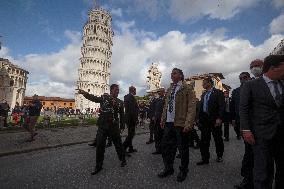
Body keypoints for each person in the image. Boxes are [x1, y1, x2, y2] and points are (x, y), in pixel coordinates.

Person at [240, 55, 284, 189]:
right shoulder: (250, 85)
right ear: (273, 68)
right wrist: (246, 130)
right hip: (262, 134)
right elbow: (244, 108)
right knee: (263, 170)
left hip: (281, 133)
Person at [78, 84, 127, 175]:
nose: (118, 91)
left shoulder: (120, 102)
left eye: (118, 90)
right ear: (111, 90)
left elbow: (122, 114)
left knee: (118, 145)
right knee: (100, 146)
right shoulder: (103, 98)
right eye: (116, 90)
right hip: (103, 126)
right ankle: (98, 166)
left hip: (114, 126)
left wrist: (122, 125)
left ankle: (123, 159)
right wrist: (85, 94)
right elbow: (94, 98)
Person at [158, 68, 196, 182]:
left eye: (174, 73)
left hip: (180, 123)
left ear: (180, 75)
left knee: (183, 149)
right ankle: (168, 168)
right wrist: (163, 118)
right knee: (166, 147)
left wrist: (188, 123)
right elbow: (166, 105)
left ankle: (183, 170)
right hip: (169, 123)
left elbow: (191, 107)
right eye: (171, 73)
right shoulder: (170, 89)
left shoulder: (187, 88)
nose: (171, 75)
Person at [197, 77, 225, 165]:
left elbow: (221, 106)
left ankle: (219, 155)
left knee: (217, 139)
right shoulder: (203, 94)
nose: (203, 84)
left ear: (209, 83)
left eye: (204, 83)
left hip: (215, 119)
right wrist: (198, 118)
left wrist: (219, 118)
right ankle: (205, 159)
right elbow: (201, 108)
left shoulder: (218, 92)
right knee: (204, 140)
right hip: (205, 120)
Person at [123, 86, 139, 153]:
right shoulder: (131, 97)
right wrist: (136, 120)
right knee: (131, 135)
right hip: (131, 119)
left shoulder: (126, 96)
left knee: (130, 133)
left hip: (128, 118)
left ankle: (130, 148)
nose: (136, 92)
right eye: (135, 90)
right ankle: (123, 148)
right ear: (133, 90)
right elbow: (132, 110)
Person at [151, 88, 165, 154]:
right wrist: (153, 116)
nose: (159, 93)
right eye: (158, 92)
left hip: (163, 120)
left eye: (160, 91)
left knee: (163, 135)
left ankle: (163, 149)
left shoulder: (166, 99)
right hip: (156, 120)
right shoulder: (156, 100)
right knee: (156, 135)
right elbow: (152, 108)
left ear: (163, 92)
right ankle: (158, 149)